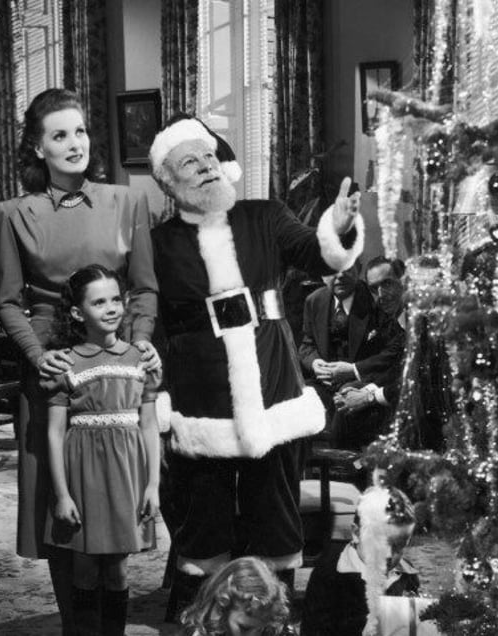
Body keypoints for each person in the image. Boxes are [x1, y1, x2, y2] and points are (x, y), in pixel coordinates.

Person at [148, 114, 365, 614]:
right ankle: (208, 615)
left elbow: (318, 255)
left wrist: (341, 224)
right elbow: (154, 322)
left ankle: (276, 615)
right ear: (168, 181)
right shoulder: (160, 244)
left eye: (208, 157)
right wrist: (158, 404)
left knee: (275, 513)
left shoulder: (263, 215)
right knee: (205, 519)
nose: (205, 168)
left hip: (272, 386)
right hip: (200, 396)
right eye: (189, 162)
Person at [0, 87, 159, 634]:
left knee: (118, 497)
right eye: (59, 135)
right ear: (37, 148)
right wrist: (39, 358)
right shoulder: (14, 213)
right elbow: (7, 301)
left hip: (118, 367)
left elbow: (143, 290)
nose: (74, 144)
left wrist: (137, 346)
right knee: (60, 507)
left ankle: (107, 623)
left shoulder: (127, 201)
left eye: (81, 131)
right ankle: (76, 626)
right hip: (52, 368)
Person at [44, 264, 160, 635]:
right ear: (78, 313)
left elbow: (150, 425)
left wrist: (153, 485)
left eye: (115, 299)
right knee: (84, 566)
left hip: (127, 473)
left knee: (118, 568)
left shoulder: (140, 360)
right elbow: (53, 433)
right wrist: (62, 494)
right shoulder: (66, 363)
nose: (110, 308)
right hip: (84, 475)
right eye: (98, 302)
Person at [298, 260, 405, 450]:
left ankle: (342, 470)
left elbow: (391, 353)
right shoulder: (314, 301)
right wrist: (315, 363)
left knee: (345, 399)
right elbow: (306, 345)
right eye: (331, 269)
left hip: (364, 378)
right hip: (325, 381)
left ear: (357, 267)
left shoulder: (374, 298)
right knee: (298, 396)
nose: (339, 275)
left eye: (345, 268)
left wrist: (353, 371)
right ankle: (303, 470)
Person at [301, 486, 420, 636]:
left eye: (399, 545)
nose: (389, 554)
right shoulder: (330, 573)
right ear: (357, 533)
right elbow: (312, 629)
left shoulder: (407, 574)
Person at [178, 556, 295, 636]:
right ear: (222, 605)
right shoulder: (199, 630)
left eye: (260, 629)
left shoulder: (276, 627)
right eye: (244, 628)